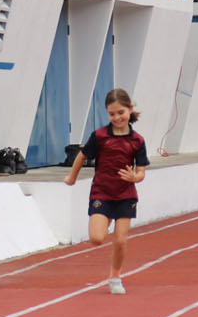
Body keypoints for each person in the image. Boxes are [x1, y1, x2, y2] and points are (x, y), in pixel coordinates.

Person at [63, 87, 150, 294]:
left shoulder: (137, 140)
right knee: (96, 238)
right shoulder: (100, 136)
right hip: (102, 192)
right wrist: (72, 178)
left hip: (125, 195)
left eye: (121, 112)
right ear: (107, 113)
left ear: (130, 110)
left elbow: (141, 171)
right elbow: (82, 156)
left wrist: (134, 177)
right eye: (112, 114)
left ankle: (115, 276)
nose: (117, 117)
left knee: (120, 240)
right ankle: (105, 218)